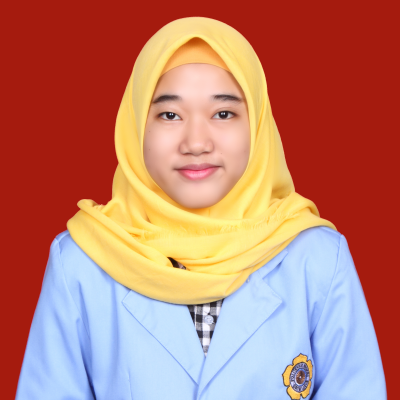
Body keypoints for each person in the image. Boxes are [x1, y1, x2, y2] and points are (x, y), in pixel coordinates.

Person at [15, 17, 386, 400]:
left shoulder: (318, 257)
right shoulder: (82, 261)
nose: (196, 143)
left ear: (257, 125)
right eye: (169, 115)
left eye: (223, 113)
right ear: (136, 125)